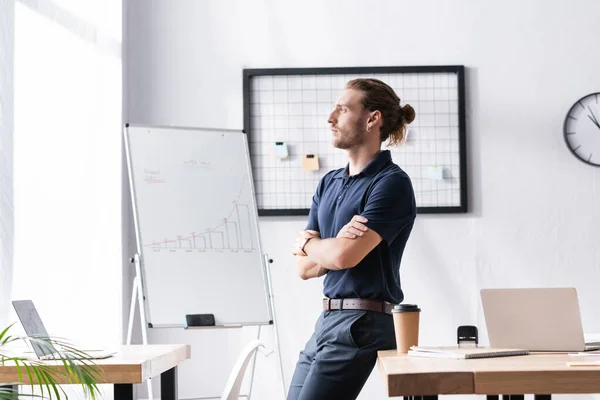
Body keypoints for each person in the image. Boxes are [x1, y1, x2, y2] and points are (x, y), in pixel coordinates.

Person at [288, 78, 417, 400]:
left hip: (363, 320)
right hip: (328, 319)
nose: (330, 118)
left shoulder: (391, 184)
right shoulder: (328, 183)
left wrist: (308, 245)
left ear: (372, 119)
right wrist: (326, 251)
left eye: (343, 109)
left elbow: (343, 258)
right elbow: (303, 270)